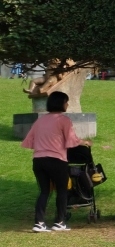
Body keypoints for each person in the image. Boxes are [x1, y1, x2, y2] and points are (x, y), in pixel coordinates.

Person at [21, 91, 89, 232]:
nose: (67, 104)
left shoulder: (40, 120)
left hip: (38, 160)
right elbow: (72, 142)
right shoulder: (63, 120)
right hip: (56, 160)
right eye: (66, 102)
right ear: (60, 103)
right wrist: (86, 142)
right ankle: (60, 222)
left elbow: (29, 141)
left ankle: (39, 223)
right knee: (62, 191)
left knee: (44, 191)